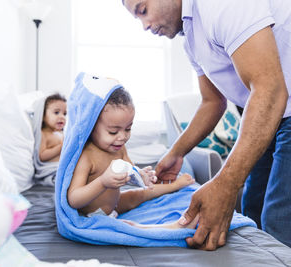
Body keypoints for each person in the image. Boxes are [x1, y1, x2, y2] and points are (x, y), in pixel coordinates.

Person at [122, 0, 291, 250]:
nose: (145, 26)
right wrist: (175, 153)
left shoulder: (220, 5)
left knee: (278, 218)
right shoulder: (191, 39)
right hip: (274, 113)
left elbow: (271, 90)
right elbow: (212, 102)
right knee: (252, 208)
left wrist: (225, 183)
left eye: (143, 10)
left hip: (278, 103)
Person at [67, 87, 197, 229]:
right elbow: (74, 199)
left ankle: (174, 186)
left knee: (139, 194)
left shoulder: (119, 148)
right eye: (113, 131)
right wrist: (103, 182)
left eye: (128, 129)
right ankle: (169, 221)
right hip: (91, 215)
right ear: (91, 127)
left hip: (114, 206)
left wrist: (142, 176)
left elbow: (131, 170)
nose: (122, 137)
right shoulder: (87, 157)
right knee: (129, 211)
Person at [39, 93, 67, 162]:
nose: (62, 117)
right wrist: (60, 148)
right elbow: (41, 156)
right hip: (52, 168)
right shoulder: (44, 134)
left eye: (64, 114)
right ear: (43, 116)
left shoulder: (61, 133)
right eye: (56, 112)